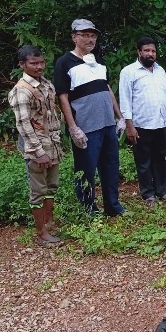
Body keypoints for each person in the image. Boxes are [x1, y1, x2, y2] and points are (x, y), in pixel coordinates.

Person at [53, 19, 126, 216]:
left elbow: (107, 88)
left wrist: (120, 117)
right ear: (74, 37)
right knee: (86, 170)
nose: (90, 39)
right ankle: (89, 209)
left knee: (111, 167)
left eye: (93, 35)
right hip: (86, 127)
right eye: (84, 35)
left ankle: (113, 206)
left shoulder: (98, 61)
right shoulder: (64, 63)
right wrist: (73, 127)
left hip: (108, 124)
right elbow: (63, 97)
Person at [9, 45, 64, 245]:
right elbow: (23, 124)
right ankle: (41, 233)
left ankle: (49, 222)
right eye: (33, 63)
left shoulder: (47, 85)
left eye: (41, 62)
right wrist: (38, 151)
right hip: (37, 149)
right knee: (38, 190)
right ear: (22, 65)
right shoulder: (21, 91)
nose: (39, 67)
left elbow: (51, 116)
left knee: (51, 185)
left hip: (52, 145)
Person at [119, 37, 166, 206]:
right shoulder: (129, 72)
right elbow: (125, 100)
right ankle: (148, 194)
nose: (150, 54)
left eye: (153, 51)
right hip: (141, 125)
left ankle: (161, 191)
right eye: (147, 51)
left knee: (160, 159)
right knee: (143, 161)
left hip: (160, 123)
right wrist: (129, 126)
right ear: (139, 52)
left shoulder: (160, 70)